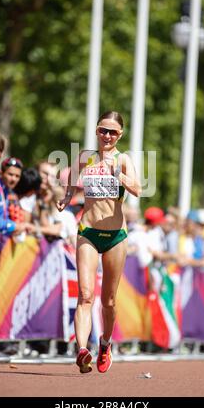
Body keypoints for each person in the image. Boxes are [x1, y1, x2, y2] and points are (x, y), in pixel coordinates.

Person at [57, 111, 141, 374]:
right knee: (85, 295)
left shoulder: (123, 159)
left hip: (116, 236)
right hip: (89, 232)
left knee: (110, 301)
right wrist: (67, 195)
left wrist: (119, 175)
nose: (107, 136)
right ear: (96, 130)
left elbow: (138, 189)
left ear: (120, 135)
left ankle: (105, 343)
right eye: (103, 130)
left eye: (113, 132)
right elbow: (72, 177)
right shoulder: (86, 157)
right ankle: (82, 350)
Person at [0, 157, 34, 236]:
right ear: (1, 173)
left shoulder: (5, 189)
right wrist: (14, 226)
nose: (13, 179)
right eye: (10, 174)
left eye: (17, 176)